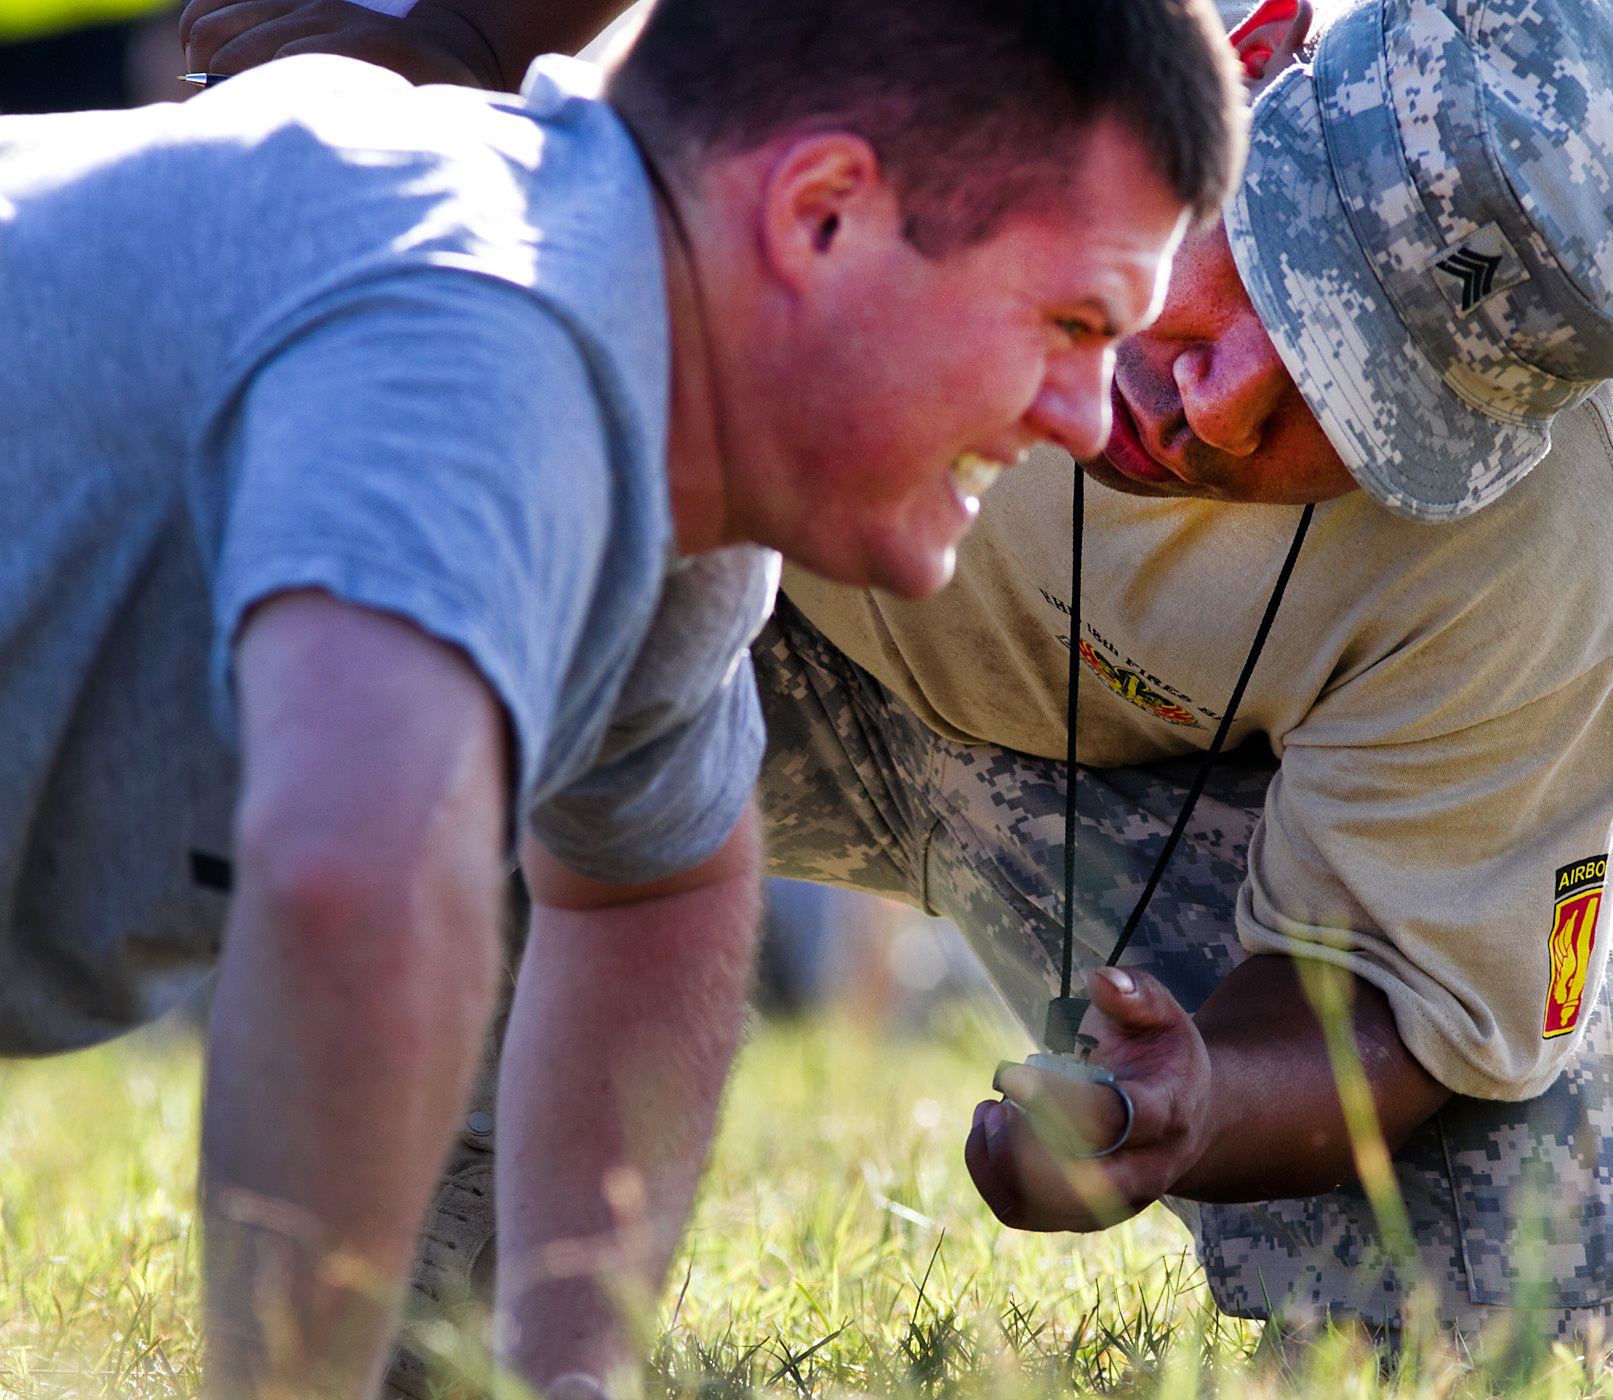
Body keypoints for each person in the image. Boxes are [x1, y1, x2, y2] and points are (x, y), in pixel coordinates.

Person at [185, 0, 1613, 1359]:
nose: (1219, 405)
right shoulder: (1020, 41)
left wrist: (1204, 1098)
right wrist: (425, 50)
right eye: (1263, 278)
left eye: (1354, 403)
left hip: (1108, 794)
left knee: (1548, 1225)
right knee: (421, 652)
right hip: (733, 582)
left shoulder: (1553, 558)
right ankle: (419, 1304)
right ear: (1260, 51)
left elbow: (1395, 1003)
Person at [0, 3, 1238, 1396]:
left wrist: (572, 1374)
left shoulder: (665, 428)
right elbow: (357, 882)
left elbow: (652, 888)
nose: (1084, 416)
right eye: (1071, 319)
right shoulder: (496, 309)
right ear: (823, 212)